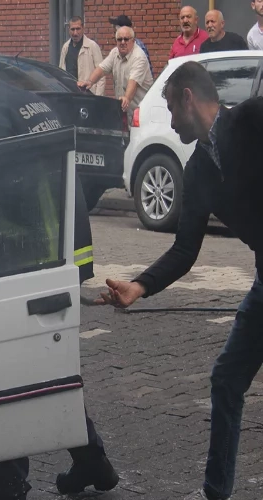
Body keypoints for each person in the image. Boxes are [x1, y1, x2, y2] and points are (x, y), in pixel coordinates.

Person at [0, 43, 118, 500]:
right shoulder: (15, 98)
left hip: (32, 252)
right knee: (42, 363)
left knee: (5, 370)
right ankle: (93, 461)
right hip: (63, 245)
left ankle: (10, 486)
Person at [94, 61, 263, 500]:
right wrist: (139, 285)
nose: (168, 121)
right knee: (227, 380)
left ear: (188, 98)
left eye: (170, 108)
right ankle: (215, 491)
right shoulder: (199, 168)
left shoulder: (253, 119)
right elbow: (185, 250)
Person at [78, 26, 154, 124]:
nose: (122, 42)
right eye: (119, 39)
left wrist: (126, 97)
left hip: (142, 115)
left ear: (133, 40)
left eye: (126, 39)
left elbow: (133, 82)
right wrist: (90, 82)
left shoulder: (139, 57)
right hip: (124, 112)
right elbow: (102, 69)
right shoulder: (115, 53)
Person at [59, 16, 104, 96]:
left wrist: (98, 98)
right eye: (72, 29)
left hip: (89, 95)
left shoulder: (92, 46)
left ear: (83, 28)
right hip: (69, 94)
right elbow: (61, 73)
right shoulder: (65, 47)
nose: (75, 33)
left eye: (78, 29)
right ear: (69, 29)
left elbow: (101, 74)